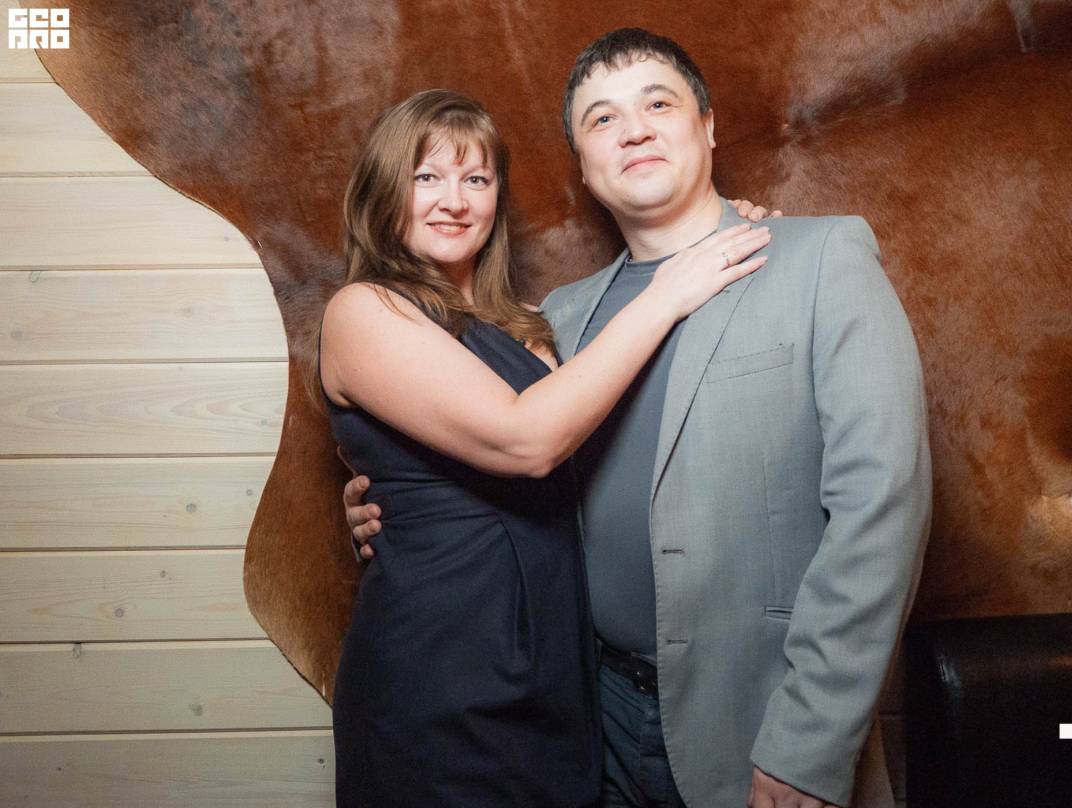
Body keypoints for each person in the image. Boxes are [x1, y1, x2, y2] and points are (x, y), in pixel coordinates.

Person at [346, 29, 932, 808]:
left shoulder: (819, 259)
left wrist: (808, 746)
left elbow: (882, 507)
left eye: (658, 104)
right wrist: (391, 496)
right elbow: (504, 445)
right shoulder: (559, 319)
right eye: (602, 119)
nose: (633, 130)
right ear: (584, 166)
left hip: (761, 722)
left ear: (707, 127)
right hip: (588, 726)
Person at [316, 88, 771, 807]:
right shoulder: (363, 310)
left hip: (557, 671)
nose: (454, 201)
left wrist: (712, 229)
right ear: (382, 192)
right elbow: (526, 440)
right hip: (440, 669)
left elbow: (600, 442)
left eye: (475, 178)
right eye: (426, 177)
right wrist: (670, 290)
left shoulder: (535, 322)